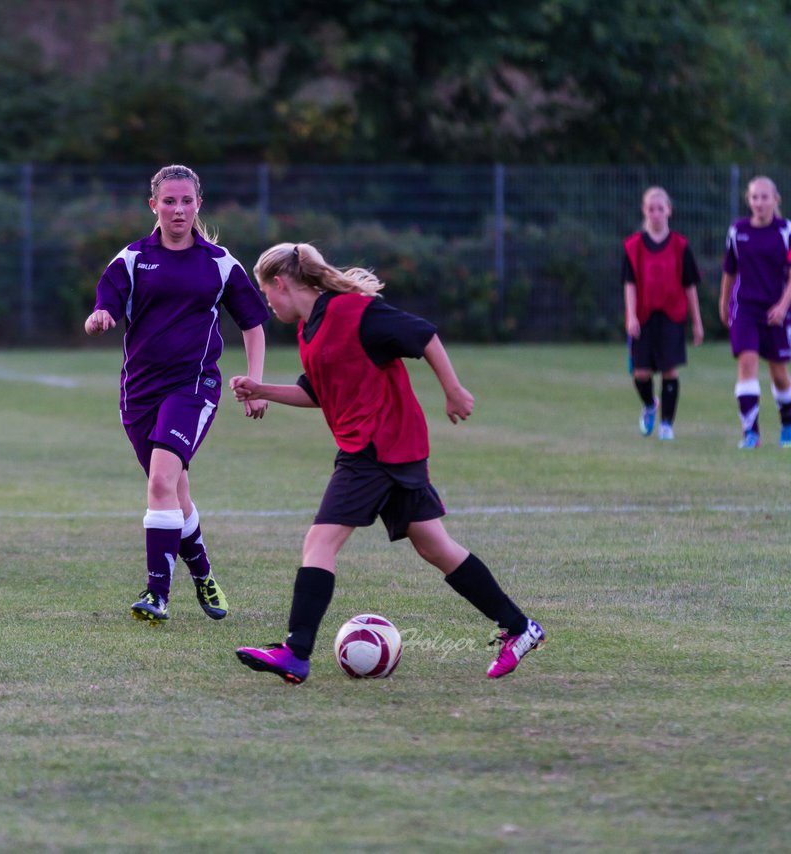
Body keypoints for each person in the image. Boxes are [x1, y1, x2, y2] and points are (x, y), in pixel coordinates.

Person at [229, 242, 544, 683]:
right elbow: (319, 393)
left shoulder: (354, 312)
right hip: (391, 448)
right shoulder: (309, 331)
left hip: (373, 449)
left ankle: (295, 652)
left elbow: (424, 335)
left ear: (280, 284)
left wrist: (453, 390)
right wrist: (262, 390)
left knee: (319, 544)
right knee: (434, 545)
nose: (268, 304)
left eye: (267, 295)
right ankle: (520, 627)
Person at [85, 164, 269, 624]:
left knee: (161, 482)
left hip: (193, 386)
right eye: (169, 201)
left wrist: (256, 383)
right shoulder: (131, 259)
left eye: (187, 201)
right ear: (154, 206)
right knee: (175, 490)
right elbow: (105, 303)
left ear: (198, 205)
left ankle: (157, 594)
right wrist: (100, 318)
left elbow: (253, 323)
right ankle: (203, 570)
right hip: (140, 392)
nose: (178, 209)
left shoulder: (220, 263)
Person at [622, 186, 704, 441]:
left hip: (671, 315)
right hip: (643, 317)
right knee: (641, 373)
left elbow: (689, 286)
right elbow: (629, 284)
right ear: (644, 211)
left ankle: (667, 424)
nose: (656, 213)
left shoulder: (680, 246)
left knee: (670, 370)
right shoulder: (633, 246)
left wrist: (697, 322)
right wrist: (631, 315)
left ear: (669, 210)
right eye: (651, 208)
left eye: (660, 208)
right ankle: (649, 405)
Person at [719, 175, 791, 449]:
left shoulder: (786, 231)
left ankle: (788, 423)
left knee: (779, 374)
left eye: (764, 197)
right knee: (746, 363)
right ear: (748, 201)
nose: (759, 203)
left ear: (776, 200)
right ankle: (751, 433)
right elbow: (729, 271)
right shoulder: (738, 231)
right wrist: (724, 303)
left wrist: (784, 306)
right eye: (754, 197)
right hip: (745, 308)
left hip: (776, 310)